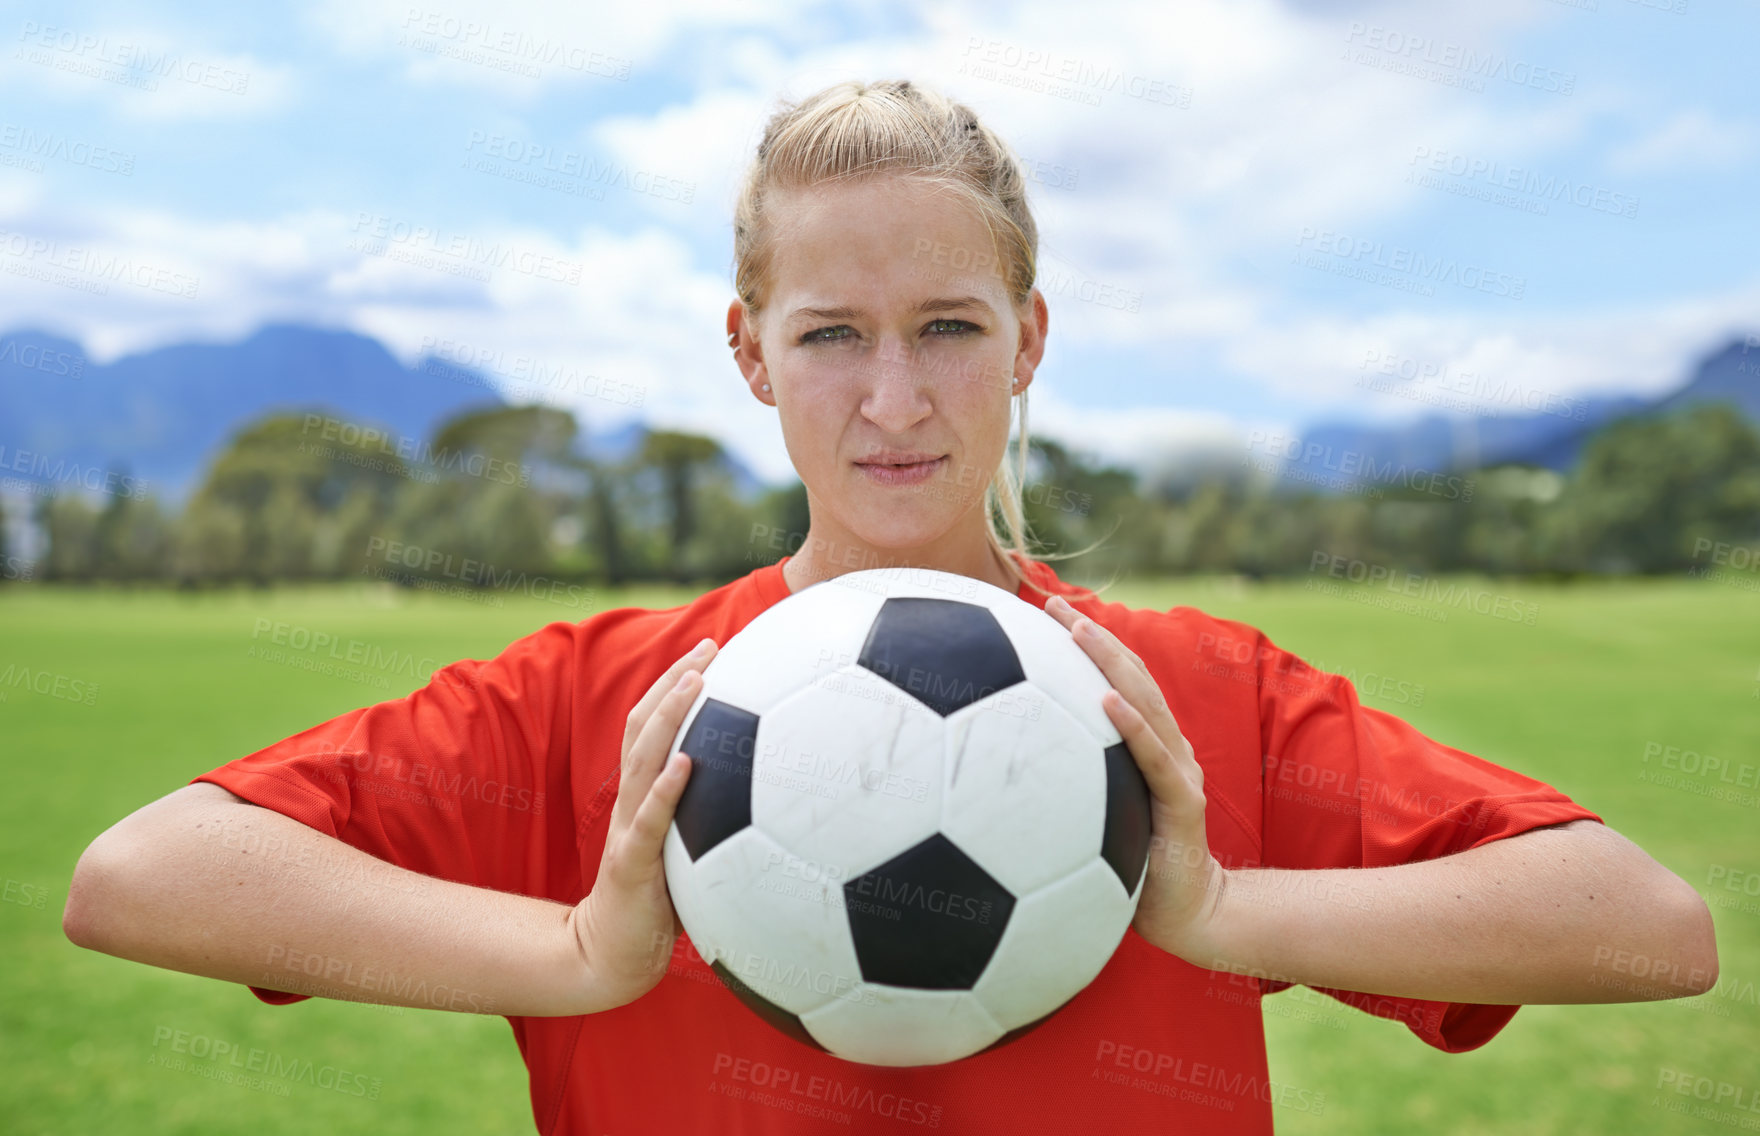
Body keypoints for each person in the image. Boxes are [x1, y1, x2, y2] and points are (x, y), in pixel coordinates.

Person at [64, 79, 1717, 1135]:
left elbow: (1652, 930)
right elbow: (140, 875)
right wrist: (575, 951)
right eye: (831, 335)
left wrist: (1225, 916)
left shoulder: (1181, 698)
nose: (895, 399)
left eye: (948, 326)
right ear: (747, 352)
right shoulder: (613, 701)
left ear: (1033, 339)